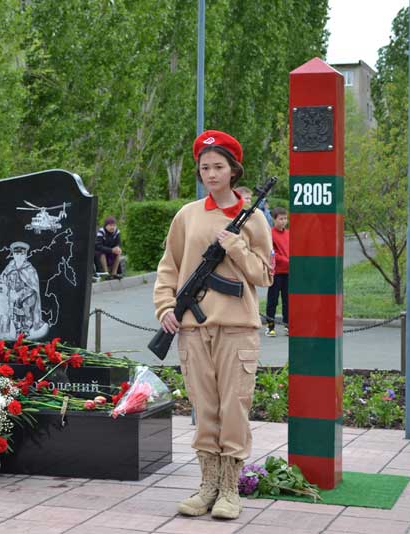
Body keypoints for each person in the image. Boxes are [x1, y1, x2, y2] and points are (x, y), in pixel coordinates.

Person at [153, 130, 272, 520]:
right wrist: (166, 307)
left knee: (233, 409)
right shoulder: (187, 215)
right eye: (205, 167)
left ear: (233, 170)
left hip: (237, 329)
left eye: (218, 166)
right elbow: (168, 267)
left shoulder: (253, 219)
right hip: (191, 329)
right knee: (205, 409)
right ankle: (206, 486)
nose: (211, 173)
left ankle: (229, 490)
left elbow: (264, 275)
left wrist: (235, 246)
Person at [265, 207, 289, 337]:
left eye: (285, 218)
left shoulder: (289, 234)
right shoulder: (270, 234)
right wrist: (286, 260)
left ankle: (288, 325)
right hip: (276, 272)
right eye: (280, 219)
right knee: (273, 300)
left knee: (288, 300)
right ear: (274, 219)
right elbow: (272, 253)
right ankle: (270, 326)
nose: (283, 221)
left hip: (288, 272)